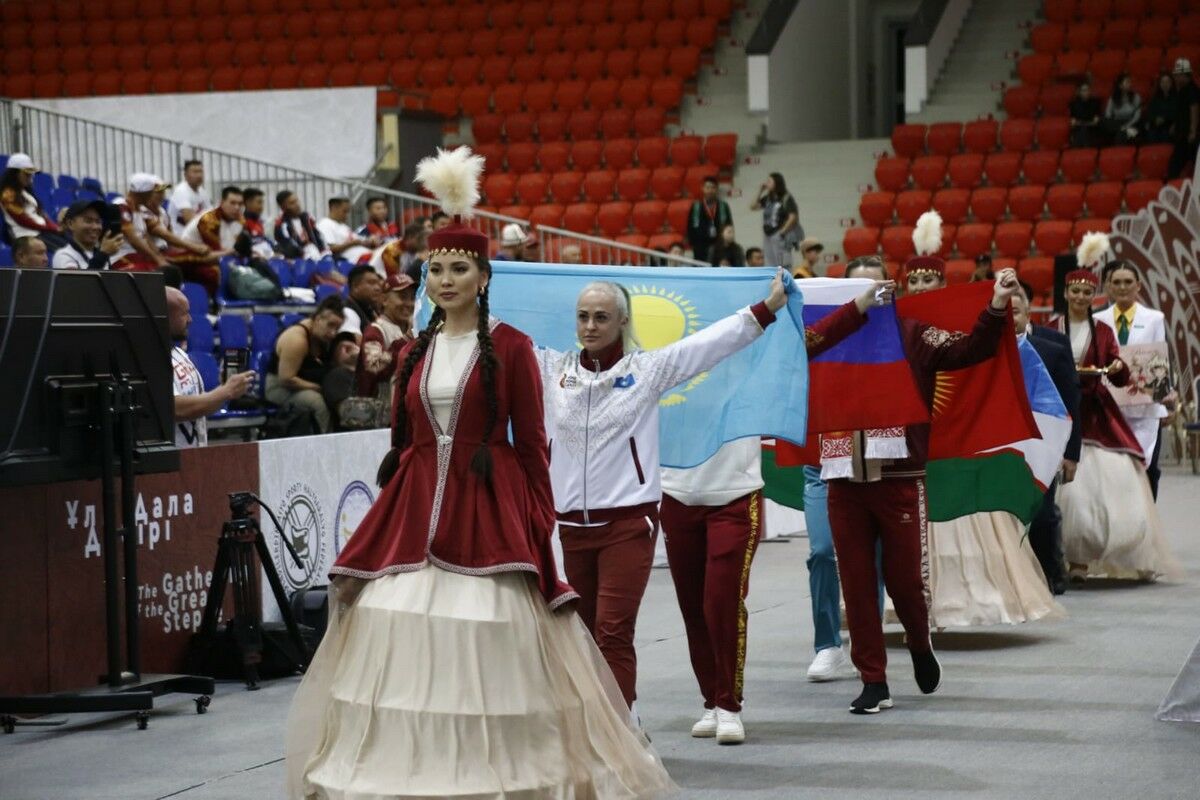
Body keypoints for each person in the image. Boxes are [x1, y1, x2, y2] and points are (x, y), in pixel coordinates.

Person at [286, 146, 674, 800]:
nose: (444, 280)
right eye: (435, 269)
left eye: (458, 268)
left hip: (487, 513)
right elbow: (404, 442)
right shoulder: (414, 349)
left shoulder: (516, 348)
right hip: (415, 513)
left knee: (492, 643)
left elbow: (534, 446)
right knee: (400, 633)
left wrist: (537, 522)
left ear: (483, 276)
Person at [825, 211, 1018, 714]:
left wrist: (996, 304)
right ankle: (873, 678)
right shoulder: (826, 338)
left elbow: (972, 349)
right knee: (857, 582)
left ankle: (918, 638)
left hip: (900, 475)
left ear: (888, 291)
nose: (864, 298)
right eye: (854, 291)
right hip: (842, 473)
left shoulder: (913, 334)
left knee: (906, 582)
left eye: (872, 289)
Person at [918, 273, 1065, 630]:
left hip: (968, 440)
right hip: (924, 443)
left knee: (970, 522)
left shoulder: (965, 323)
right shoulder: (901, 327)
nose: (922, 288)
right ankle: (920, 606)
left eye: (929, 281)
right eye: (915, 282)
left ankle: (972, 601)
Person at [1052, 235, 1179, 581]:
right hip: (1064, 413)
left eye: (1085, 292)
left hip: (1099, 412)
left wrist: (1120, 371)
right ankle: (1074, 559)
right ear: (1065, 294)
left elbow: (1124, 369)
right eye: (1074, 291)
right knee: (1071, 493)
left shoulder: (1106, 330)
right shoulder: (1051, 327)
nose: (1080, 297)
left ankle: (1126, 551)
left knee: (1122, 483)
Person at [1021, 281, 1082, 596]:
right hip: (1003, 446)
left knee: (1043, 513)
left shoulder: (1054, 345)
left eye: (1017, 298)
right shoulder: (985, 344)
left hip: (1045, 444)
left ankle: (1052, 568)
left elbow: (1071, 401)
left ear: (1028, 303)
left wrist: (1072, 453)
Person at [1098, 260, 1170, 498]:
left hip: (1145, 410)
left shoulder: (1155, 319)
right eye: (1116, 282)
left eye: (1128, 282)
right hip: (1108, 408)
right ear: (1108, 286)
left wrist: (1161, 395)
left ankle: (1147, 527)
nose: (1122, 287)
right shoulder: (1098, 320)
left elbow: (1158, 365)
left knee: (1148, 472)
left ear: (1138, 285)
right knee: (1112, 472)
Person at [164, 287, 253, 447]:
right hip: (170, 460)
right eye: (184, 313)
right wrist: (225, 391)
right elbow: (175, 408)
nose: (190, 319)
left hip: (193, 454)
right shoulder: (149, 359)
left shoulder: (179, 353)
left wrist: (226, 390)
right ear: (164, 316)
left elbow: (200, 404)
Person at [265, 295, 344, 433]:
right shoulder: (297, 340)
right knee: (318, 402)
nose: (333, 333)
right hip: (280, 388)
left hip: (306, 382)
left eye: (337, 328)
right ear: (318, 319)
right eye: (330, 325)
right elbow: (286, 379)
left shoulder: (321, 335)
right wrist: (318, 388)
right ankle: (327, 442)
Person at [355, 273, 415, 399]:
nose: (409, 303)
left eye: (412, 297)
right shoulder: (375, 330)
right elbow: (374, 367)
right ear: (384, 299)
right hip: (380, 411)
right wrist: (404, 342)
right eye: (403, 297)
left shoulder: (415, 328)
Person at [1, 154, 67, 251]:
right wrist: (52, 228)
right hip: (25, 236)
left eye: (31, 174)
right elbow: (24, 221)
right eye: (26, 174)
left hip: (40, 232)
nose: (30, 177)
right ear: (14, 174)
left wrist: (54, 227)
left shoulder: (26, 192)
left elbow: (41, 214)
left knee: (69, 245)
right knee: (63, 250)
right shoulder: (8, 195)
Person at [51, 200, 124, 270]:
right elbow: (78, 282)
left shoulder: (100, 254)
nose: (95, 227)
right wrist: (103, 254)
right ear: (71, 224)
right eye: (88, 221)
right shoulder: (63, 255)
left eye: (98, 221)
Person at [750, 172, 801, 269]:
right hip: (767, 234)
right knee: (769, 262)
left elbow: (793, 216)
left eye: (769, 181)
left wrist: (783, 231)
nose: (767, 183)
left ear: (777, 183)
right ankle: (772, 281)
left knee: (783, 263)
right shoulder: (768, 198)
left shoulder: (786, 198)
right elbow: (753, 206)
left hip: (779, 234)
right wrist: (760, 191)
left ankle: (784, 282)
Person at [180, 185, 243, 259]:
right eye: (232, 203)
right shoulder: (209, 220)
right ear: (222, 203)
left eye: (240, 204)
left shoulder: (239, 219)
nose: (237, 207)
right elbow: (215, 253)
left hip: (215, 255)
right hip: (190, 255)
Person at [316, 196, 377, 264]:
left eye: (348, 212)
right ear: (334, 207)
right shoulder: (325, 224)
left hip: (367, 256)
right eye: (345, 211)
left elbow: (359, 240)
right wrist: (352, 243)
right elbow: (330, 249)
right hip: (350, 262)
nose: (347, 215)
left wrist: (370, 240)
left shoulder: (344, 227)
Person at [687, 176, 733, 263]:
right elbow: (690, 226)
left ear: (716, 189)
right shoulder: (696, 206)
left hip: (719, 244)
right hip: (700, 246)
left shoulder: (723, 206)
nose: (710, 190)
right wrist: (694, 244)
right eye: (707, 187)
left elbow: (729, 225)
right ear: (703, 188)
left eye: (713, 188)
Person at [274, 190, 328, 260]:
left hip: (314, 253)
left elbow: (317, 236)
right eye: (292, 203)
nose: (297, 204)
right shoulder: (281, 224)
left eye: (297, 201)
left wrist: (324, 252)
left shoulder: (307, 217)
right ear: (283, 207)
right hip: (296, 258)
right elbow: (288, 243)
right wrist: (303, 253)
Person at [1170, 58, 1200, 178]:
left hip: (1188, 135)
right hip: (1182, 132)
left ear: (1184, 75)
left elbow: (1194, 109)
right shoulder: (1183, 90)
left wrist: (1192, 130)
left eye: (1178, 75)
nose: (1175, 78)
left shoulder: (1192, 90)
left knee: (1175, 166)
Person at [339, 264, 383, 337]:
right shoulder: (346, 311)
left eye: (378, 284)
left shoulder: (370, 310)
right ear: (355, 287)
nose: (377, 288)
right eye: (371, 283)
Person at [171, 159, 210, 232]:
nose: (199, 175)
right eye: (195, 172)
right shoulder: (181, 191)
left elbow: (211, 214)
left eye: (200, 171)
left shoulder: (202, 191)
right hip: (180, 237)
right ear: (185, 175)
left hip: (195, 235)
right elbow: (190, 221)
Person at [1105, 73, 1142, 145]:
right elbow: (1108, 114)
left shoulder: (1136, 97)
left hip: (1131, 122)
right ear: (1120, 85)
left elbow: (1137, 116)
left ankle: (1119, 152)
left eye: (1130, 82)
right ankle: (1125, 131)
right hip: (1117, 123)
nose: (1130, 84)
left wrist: (1126, 126)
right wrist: (1118, 126)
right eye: (1127, 82)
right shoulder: (1113, 98)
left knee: (1121, 133)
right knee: (1104, 121)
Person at [240, 187, 276, 258]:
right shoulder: (242, 223)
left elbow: (263, 241)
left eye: (262, 203)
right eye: (259, 203)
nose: (261, 207)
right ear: (248, 203)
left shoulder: (259, 222)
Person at [1144, 73, 1176, 144]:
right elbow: (1150, 111)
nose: (1165, 84)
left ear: (1171, 83)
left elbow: (1177, 113)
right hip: (1156, 123)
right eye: (1163, 82)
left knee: (1164, 133)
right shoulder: (1156, 97)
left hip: (1170, 124)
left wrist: (1164, 118)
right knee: (1151, 133)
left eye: (1167, 82)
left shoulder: (1176, 97)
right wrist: (1154, 119)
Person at [1069, 82, 1103, 148]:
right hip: (1079, 128)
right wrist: (1075, 122)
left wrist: (1093, 121)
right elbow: (1073, 120)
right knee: (1081, 130)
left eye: (1088, 90)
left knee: (1084, 130)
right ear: (1079, 92)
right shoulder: (1074, 104)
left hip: (1092, 128)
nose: (1086, 92)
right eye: (1084, 90)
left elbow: (1096, 120)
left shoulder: (1095, 102)